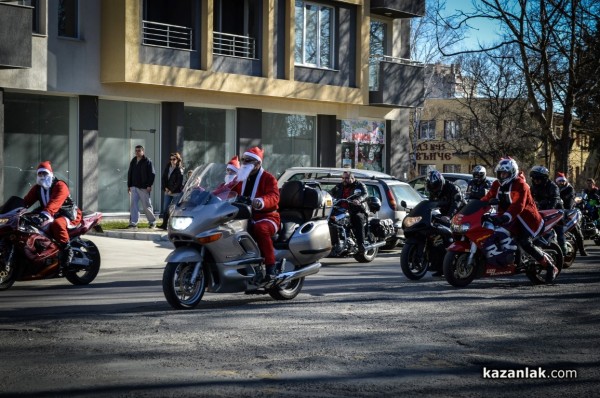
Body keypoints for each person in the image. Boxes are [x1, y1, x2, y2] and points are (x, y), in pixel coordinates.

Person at [482, 157, 558, 283]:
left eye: (505, 173)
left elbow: (518, 205)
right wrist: (475, 206)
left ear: (512, 172)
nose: (502, 175)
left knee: (525, 242)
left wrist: (506, 217)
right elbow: (487, 198)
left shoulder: (521, 185)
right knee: (490, 230)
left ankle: (550, 266)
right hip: (507, 216)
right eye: (500, 173)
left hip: (526, 219)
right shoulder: (497, 184)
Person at [23, 161, 82, 272]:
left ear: (50, 173)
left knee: (57, 224)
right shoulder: (37, 188)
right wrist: (14, 210)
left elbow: (55, 202)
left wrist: (44, 215)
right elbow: (25, 202)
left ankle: (67, 250)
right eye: (40, 174)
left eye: (44, 173)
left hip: (68, 214)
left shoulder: (60, 185)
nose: (42, 176)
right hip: (49, 214)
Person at [231, 147, 280, 279]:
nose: (245, 163)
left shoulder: (268, 178)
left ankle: (271, 267)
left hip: (267, 217)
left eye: (249, 160)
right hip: (243, 217)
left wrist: (260, 201)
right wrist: (203, 192)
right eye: (243, 160)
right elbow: (225, 189)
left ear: (258, 163)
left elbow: (274, 196)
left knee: (260, 229)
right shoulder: (240, 178)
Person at [424, 170, 463, 276]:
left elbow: (456, 204)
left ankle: (453, 262)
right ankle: (439, 267)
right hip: (444, 216)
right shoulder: (434, 191)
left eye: (435, 186)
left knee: (448, 238)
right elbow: (431, 204)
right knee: (435, 237)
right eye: (431, 187)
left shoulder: (453, 188)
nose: (433, 189)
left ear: (441, 182)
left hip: (460, 216)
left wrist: (449, 216)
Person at [529, 165, 566, 255]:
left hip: (555, 211)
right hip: (540, 212)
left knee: (559, 232)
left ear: (544, 178)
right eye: (534, 178)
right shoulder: (533, 187)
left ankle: (563, 252)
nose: (536, 180)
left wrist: (549, 211)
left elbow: (555, 199)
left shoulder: (553, 186)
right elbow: (529, 200)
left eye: (538, 178)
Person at [329, 171, 369, 253]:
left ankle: (361, 244)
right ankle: (335, 243)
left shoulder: (359, 185)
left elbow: (365, 194)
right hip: (341, 209)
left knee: (358, 218)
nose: (344, 180)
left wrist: (358, 200)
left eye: (346, 178)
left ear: (353, 178)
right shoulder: (339, 186)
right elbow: (330, 192)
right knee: (330, 220)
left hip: (356, 209)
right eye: (343, 178)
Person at [555, 172, 588, 256]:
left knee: (577, 231)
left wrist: (561, 202)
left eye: (562, 181)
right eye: (559, 181)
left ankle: (582, 250)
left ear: (565, 180)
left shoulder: (569, 189)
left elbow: (568, 201)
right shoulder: (556, 188)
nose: (561, 182)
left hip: (569, 213)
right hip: (557, 212)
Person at [127, 145, 156, 229]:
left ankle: (152, 222)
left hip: (143, 187)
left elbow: (152, 174)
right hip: (134, 187)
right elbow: (130, 173)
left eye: (139, 150)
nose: (137, 152)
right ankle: (133, 223)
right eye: (136, 151)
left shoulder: (147, 161)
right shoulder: (133, 161)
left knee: (146, 205)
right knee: (133, 205)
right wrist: (129, 185)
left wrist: (149, 185)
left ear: (143, 151)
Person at [158, 152, 184, 230]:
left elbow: (179, 182)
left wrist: (171, 190)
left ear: (178, 159)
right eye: (171, 159)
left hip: (176, 192)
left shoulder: (180, 169)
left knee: (174, 209)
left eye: (174, 159)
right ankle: (164, 225)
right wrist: (165, 188)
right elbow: (163, 178)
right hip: (167, 191)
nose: (172, 161)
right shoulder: (168, 166)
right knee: (165, 208)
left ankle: (174, 225)